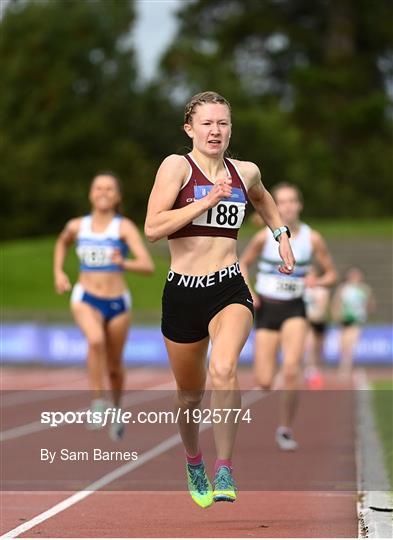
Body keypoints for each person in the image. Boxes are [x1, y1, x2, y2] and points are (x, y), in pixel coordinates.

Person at [144, 91, 295, 508]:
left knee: (225, 368)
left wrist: (281, 237)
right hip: (182, 294)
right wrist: (207, 200)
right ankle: (195, 460)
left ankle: (225, 466)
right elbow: (153, 228)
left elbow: (264, 199)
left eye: (223, 123)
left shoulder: (244, 172)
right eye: (207, 123)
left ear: (231, 128)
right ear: (190, 129)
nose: (216, 131)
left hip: (228, 287)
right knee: (189, 395)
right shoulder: (177, 167)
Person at [54, 172, 154, 440]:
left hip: (118, 301)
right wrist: (59, 273)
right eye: (98, 188)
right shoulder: (77, 226)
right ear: (90, 193)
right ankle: (98, 402)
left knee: (114, 366)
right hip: (86, 296)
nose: (103, 193)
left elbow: (147, 265)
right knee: (95, 340)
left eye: (110, 189)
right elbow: (61, 244)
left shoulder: (124, 228)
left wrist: (124, 263)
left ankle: (118, 409)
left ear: (118, 196)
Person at [240, 183, 337, 451]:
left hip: (295, 308)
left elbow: (331, 274)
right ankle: (272, 384)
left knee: (292, 368)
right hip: (267, 310)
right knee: (264, 380)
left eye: (292, 201)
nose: (288, 206)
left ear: (300, 205)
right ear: (275, 206)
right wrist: (250, 293)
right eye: (282, 201)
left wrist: (318, 281)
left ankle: (284, 428)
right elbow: (241, 264)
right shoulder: (263, 237)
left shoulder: (312, 238)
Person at [331, 267, 375, 378]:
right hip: (344, 319)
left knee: (351, 343)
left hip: (356, 319)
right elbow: (336, 301)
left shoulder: (364, 289)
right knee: (342, 344)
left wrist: (366, 310)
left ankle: (345, 367)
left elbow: (370, 303)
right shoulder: (344, 288)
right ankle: (343, 364)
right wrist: (336, 314)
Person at [303, 266, 332, 389]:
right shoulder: (303, 290)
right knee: (309, 345)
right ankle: (310, 371)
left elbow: (322, 308)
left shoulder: (322, 290)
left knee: (319, 348)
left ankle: (317, 369)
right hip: (307, 322)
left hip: (319, 321)